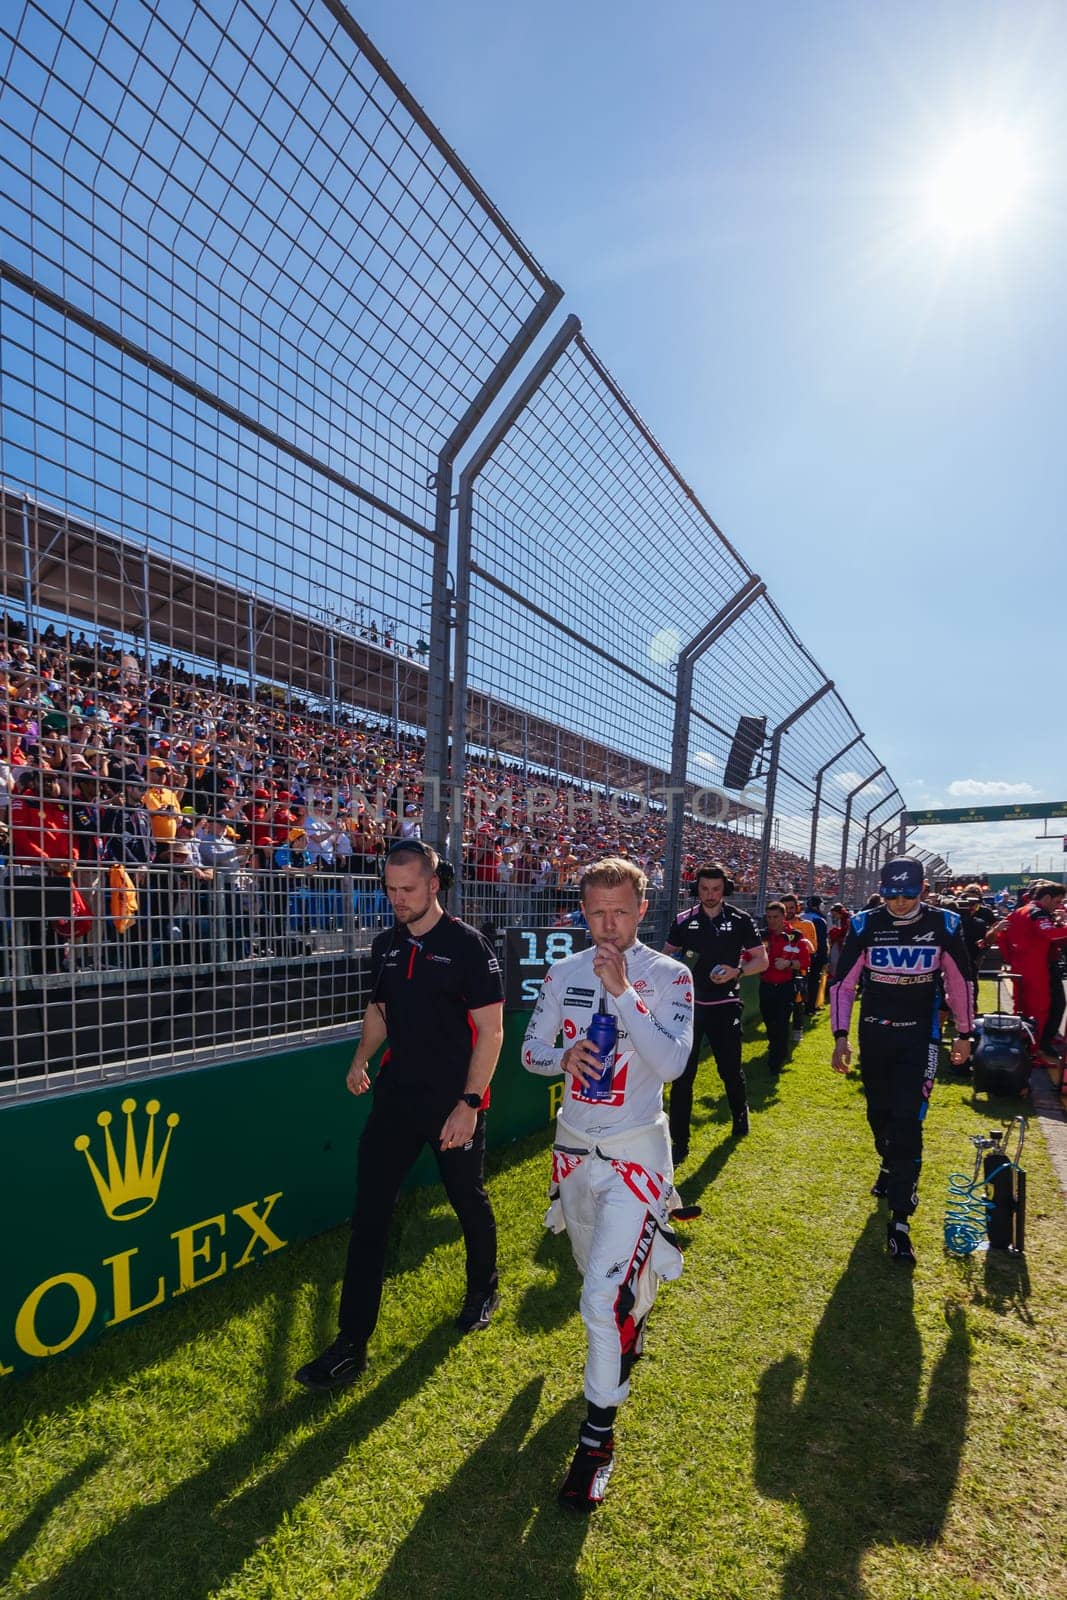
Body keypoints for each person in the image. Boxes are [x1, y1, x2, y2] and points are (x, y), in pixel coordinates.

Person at [295, 839, 505, 1392]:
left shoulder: (467, 946)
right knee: (370, 1216)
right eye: (389, 889)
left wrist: (471, 1103)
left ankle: (484, 1286)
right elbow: (381, 1010)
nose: (397, 899)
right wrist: (362, 1056)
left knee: (466, 1197)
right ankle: (350, 1344)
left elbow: (491, 1032)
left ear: (434, 885)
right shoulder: (386, 945)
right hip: (395, 1097)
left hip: (454, 1103)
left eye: (407, 889)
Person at [522, 856, 693, 1512]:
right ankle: (632, 1316)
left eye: (619, 911)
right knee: (596, 1276)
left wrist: (623, 991)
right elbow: (530, 1053)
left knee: (598, 1301)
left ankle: (596, 1442)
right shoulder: (563, 971)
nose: (607, 925)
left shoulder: (668, 975)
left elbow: (672, 1062)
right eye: (595, 912)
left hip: (635, 1151)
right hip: (573, 1150)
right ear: (581, 910)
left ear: (641, 909)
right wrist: (559, 1056)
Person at [830, 857, 973, 1266]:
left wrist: (965, 1033)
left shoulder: (945, 924)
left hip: (919, 1036)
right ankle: (889, 1164)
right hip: (875, 1033)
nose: (898, 903)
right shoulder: (864, 924)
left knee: (908, 1121)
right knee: (880, 1116)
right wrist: (841, 1038)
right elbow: (843, 985)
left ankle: (900, 1220)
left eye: (907, 894)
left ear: (923, 889)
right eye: (891, 894)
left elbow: (960, 981)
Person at [663, 862, 768, 1157]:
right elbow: (666, 959)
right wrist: (684, 962)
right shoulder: (683, 920)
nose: (710, 894)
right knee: (683, 1076)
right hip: (689, 1008)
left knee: (730, 1069)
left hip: (726, 1004)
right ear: (696, 888)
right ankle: (679, 1142)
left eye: (716, 889)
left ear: (726, 889)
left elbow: (762, 961)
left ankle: (739, 1115)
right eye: (704, 889)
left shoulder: (741, 919)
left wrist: (737, 971)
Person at [995, 881, 1067, 1065]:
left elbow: (1001, 936)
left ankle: (1026, 1048)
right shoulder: (1037, 912)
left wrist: (1010, 958)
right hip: (1036, 969)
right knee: (1038, 1010)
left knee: (1022, 1009)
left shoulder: (1019, 911)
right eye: (1057, 901)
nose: (1059, 905)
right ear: (1047, 897)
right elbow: (1050, 934)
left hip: (1020, 966)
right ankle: (1033, 1054)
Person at [760, 902, 812, 1073]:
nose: (772, 921)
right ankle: (776, 1046)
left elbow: (805, 962)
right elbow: (748, 955)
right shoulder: (763, 936)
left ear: (783, 917)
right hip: (766, 985)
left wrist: (789, 963)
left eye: (775, 917)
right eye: (769, 917)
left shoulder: (795, 936)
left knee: (781, 1023)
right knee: (769, 1021)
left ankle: (776, 1061)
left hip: (785, 986)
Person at [803, 895, 829, 1014]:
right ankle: (810, 1008)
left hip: (799, 955)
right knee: (813, 982)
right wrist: (824, 958)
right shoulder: (819, 920)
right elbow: (821, 941)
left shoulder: (801, 917)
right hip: (814, 956)